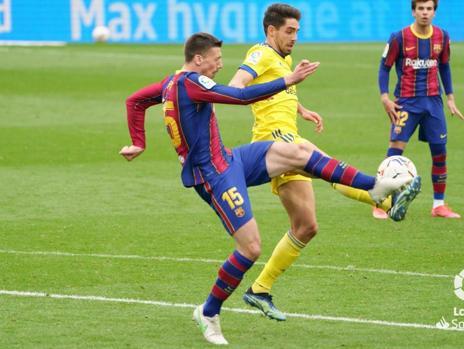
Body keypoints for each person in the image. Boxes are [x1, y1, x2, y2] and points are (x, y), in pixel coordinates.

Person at [119, 32, 420, 345]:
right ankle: (208, 312)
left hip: (230, 159)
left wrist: (138, 141)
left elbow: (135, 101)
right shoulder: (192, 83)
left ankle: (374, 188)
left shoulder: (172, 82)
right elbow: (240, 96)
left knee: (299, 153)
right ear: (198, 59)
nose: (220, 66)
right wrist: (288, 79)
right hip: (213, 177)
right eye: (216, 60)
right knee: (250, 248)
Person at [227, 2, 391, 321]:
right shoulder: (260, 54)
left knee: (306, 226)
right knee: (327, 166)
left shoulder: (283, 58)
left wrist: (301, 108)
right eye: (289, 31)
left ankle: (259, 290)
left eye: (297, 32)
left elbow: (277, 91)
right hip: (274, 142)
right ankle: (384, 198)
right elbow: (236, 88)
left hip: (287, 136)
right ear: (271, 30)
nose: (295, 37)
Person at [378, 0, 464, 218]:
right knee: (394, 151)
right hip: (406, 102)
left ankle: (438, 205)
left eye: (429, 9)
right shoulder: (399, 37)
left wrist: (451, 99)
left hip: (434, 103)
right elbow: (384, 68)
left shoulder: (442, 37)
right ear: (413, 12)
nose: (425, 13)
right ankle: (381, 203)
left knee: (440, 152)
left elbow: (444, 67)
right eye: (421, 9)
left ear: (434, 12)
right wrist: (385, 97)